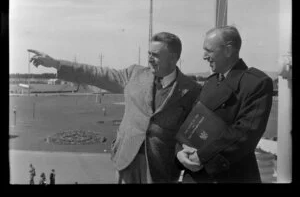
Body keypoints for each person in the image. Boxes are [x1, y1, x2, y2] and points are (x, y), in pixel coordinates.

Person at [28, 32, 201, 183]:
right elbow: (96, 74)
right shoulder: (134, 74)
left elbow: (191, 131)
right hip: (126, 158)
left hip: (161, 166)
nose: (149, 59)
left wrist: (186, 150)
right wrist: (56, 64)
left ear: (173, 58)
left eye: (155, 55)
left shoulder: (192, 89)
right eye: (149, 53)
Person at [176, 25, 273, 183]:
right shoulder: (210, 83)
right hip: (195, 174)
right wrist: (180, 152)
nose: (204, 56)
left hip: (230, 174)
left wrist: (202, 157)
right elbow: (189, 126)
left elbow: (246, 132)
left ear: (228, 50)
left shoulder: (256, 83)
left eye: (209, 50)